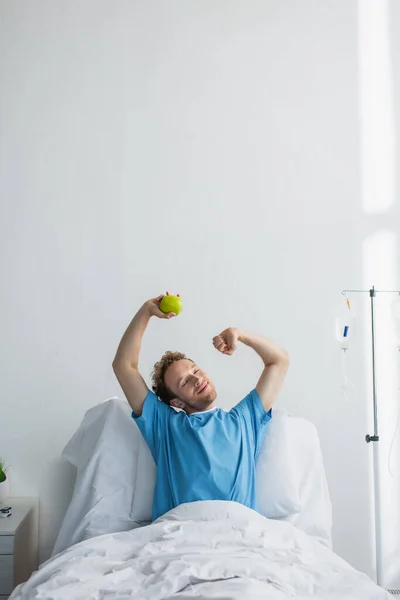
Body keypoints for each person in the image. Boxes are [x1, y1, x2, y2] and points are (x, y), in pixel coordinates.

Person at [112, 292, 289, 521]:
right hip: (180, 531)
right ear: (176, 402)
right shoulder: (165, 426)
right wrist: (146, 311)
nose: (197, 380)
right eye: (185, 382)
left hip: (239, 532)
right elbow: (124, 366)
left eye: (195, 371)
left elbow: (279, 361)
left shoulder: (244, 420)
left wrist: (240, 334)